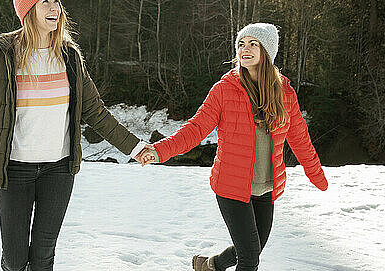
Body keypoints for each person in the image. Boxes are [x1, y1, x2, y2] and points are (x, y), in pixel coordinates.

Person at [0, 0, 148, 271]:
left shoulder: (69, 57)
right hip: (14, 170)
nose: (54, 7)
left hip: (58, 170)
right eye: (45, 1)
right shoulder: (3, 55)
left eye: (56, 1)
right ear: (28, 9)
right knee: (16, 260)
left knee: (43, 257)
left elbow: (95, 112)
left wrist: (135, 147)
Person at [139, 23, 329, 271]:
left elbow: (300, 139)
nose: (245, 49)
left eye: (253, 44)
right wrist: (159, 150)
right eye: (241, 44)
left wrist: (316, 175)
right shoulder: (224, 90)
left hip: (267, 187)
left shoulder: (284, 93)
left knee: (253, 248)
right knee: (250, 259)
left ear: (267, 51)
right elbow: (195, 129)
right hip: (231, 185)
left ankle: (211, 265)